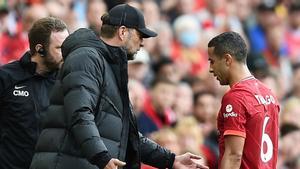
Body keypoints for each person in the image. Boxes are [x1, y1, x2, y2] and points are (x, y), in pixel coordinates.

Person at [30, 4, 208, 169]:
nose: (143, 43)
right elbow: (80, 113)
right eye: (140, 35)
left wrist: (170, 159)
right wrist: (101, 156)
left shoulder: (109, 65)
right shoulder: (86, 57)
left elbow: (126, 134)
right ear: (123, 32)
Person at [0, 17, 69, 169]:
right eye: (59, 48)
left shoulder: (67, 81)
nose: (66, 53)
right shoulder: (6, 77)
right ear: (40, 49)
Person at [207, 31, 280, 169]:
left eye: (212, 61)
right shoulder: (269, 94)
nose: (210, 69)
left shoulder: (236, 97)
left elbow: (234, 155)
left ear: (227, 59)